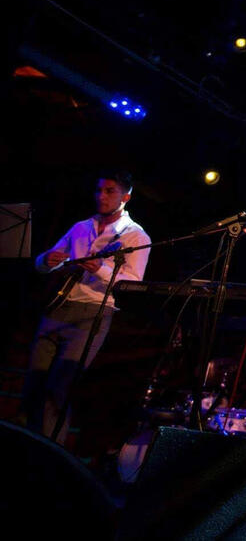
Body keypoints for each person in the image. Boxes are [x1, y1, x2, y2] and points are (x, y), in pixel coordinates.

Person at [26, 171, 150, 446]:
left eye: (109, 191)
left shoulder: (135, 236)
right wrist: (48, 259)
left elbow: (134, 285)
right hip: (59, 307)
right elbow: (41, 264)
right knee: (33, 384)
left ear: (125, 197)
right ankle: (30, 443)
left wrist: (102, 269)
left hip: (93, 312)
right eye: (98, 190)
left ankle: (50, 453)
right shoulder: (81, 226)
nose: (101, 196)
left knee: (60, 388)